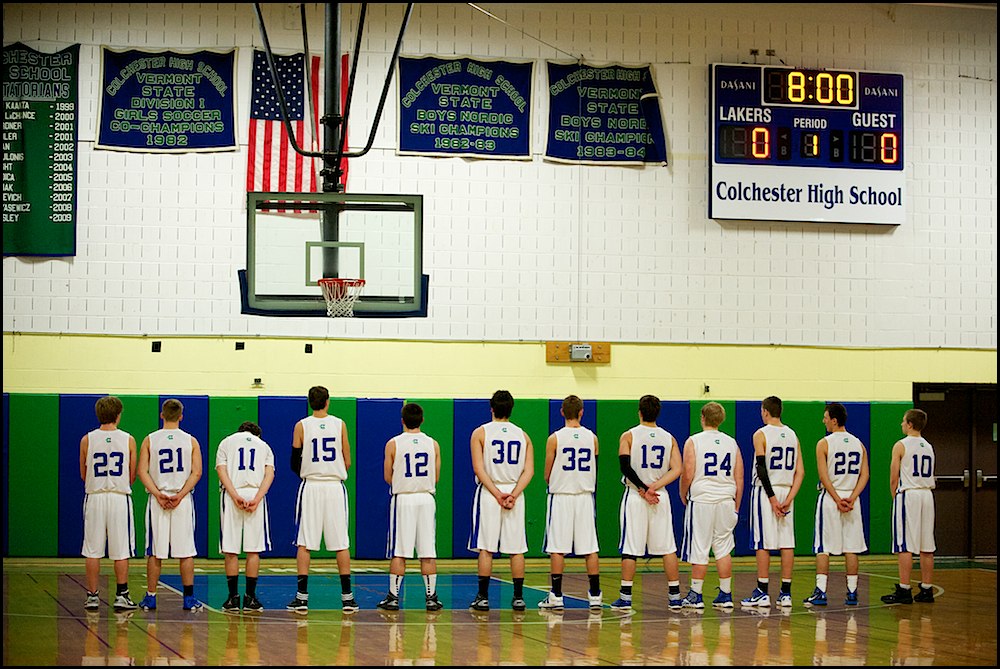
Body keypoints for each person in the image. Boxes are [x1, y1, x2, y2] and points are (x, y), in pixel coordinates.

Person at [287, 385, 359, 613]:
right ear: (328, 401)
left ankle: (302, 598)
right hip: (334, 486)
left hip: (312, 486)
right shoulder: (339, 424)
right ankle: (348, 599)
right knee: (341, 542)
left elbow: (293, 461)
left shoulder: (301, 425)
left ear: (309, 402)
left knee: (305, 542)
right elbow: (347, 460)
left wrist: (310, 471)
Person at [611, 394, 684, 611]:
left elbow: (625, 467)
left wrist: (643, 489)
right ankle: (675, 596)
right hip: (659, 496)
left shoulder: (629, 436)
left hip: (636, 496)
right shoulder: (668, 438)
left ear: (640, 412)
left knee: (631, 547)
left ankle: (625, 597)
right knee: (667, 547)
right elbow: (677, 468)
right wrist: (655, 486)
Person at [467, 390, 535, 612]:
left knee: (486, 548)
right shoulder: (523, 436)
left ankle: (483, 597)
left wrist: (497, 494)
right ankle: (518, 597)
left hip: (490, 493)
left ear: (492, 408)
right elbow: (529, 471)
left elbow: (479, 468)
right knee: (516, 549)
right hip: (515, 494)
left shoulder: (480, 433)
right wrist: (514, 494)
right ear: (511, 409)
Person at [136, 398, 204, 611]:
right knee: (186, 551)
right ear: (181, 416)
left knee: (155, 551)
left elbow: (141, 471)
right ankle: (188, 598)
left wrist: (157, 494)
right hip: (182, 500)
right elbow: (197, 472)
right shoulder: (191, 441)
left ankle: (151, 597)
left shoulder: (150, 440)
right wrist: (181, 494)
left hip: (158, 500)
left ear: (161, 415)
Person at [376, 403, 444, 612]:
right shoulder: (433, 444)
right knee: (427, 550)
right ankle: (431, 597)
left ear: (402, 420)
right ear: (422, 420)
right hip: (426, 498)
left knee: (400, 549)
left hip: (403, 498)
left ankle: (393, 597)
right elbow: (436, 476)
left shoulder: (393, 444)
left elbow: (388, 475)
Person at [539, 395, 602, 610]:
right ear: (582, 412)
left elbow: (547, 472)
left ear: (562, 412)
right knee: (590, 547)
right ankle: (595, 595)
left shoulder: (554, 438)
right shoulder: (592, 438)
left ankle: (556, 596)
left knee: (557, 547)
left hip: (562, 496)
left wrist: (552, 479)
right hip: (584, 496)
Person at [679, 401, 744, 609]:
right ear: (721, 419)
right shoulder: (731, 443)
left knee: (700, 547)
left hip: (703, 500)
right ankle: (725, 594)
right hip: (726, 500)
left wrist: (683, 494)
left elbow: (687, 472)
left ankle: (696, 594)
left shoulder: (694, 441)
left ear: (703, 418)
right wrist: (736, 506)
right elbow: (739, 478)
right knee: (723, 549)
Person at [804, 402, 870, 607]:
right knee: (852, 548)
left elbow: (824, 476)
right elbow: (865, 474)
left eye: (825, 417)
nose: (823, 421)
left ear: (834, 419)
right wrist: (852, 497)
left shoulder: (824, 443)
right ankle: (852, 592)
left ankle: (821, 591)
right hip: (852, 500)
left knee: (823, 547)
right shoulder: (859, 444)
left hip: (831, 500)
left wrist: (836, 498)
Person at [741, 396, 804, 609]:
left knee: (763, 542)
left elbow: (761, 468)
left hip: (766, 492)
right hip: (787, 491)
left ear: (765, 412)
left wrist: (772, 499)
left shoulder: (761, 434)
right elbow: (801, 471)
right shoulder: (793, 434)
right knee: (787, 542)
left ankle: (762, 591)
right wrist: (789, 498)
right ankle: (785, 594)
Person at [80, 395, 138, 611]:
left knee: (92, 549)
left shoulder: (87, 439)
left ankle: (92, 596)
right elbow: (131, 474)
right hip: (118, 496)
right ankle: (122, 595)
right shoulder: (128, 439)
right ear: (118, 415)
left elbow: (83, 472)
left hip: (94, 496)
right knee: (121, 549)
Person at [216, 421, 275, 613]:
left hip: (233, 494)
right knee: (253, 549)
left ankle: (233, 599)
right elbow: (269, 474)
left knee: (231, 549)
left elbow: (221, 470)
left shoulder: (226, 442)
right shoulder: (263, 445)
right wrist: (257, 498)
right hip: (255, 493)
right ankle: (250, 599)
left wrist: (233, 495)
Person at [881, 409, 936, 605]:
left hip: (909, 494)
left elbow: (894, 476)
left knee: (904, 545)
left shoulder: (901, 445)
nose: (901, 424)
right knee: (926, 546)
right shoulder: (928, 446)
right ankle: (927, 590)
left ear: (910, 424)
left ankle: (904, 589)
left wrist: (895, 495)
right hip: (927, 495)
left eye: (903, 421)